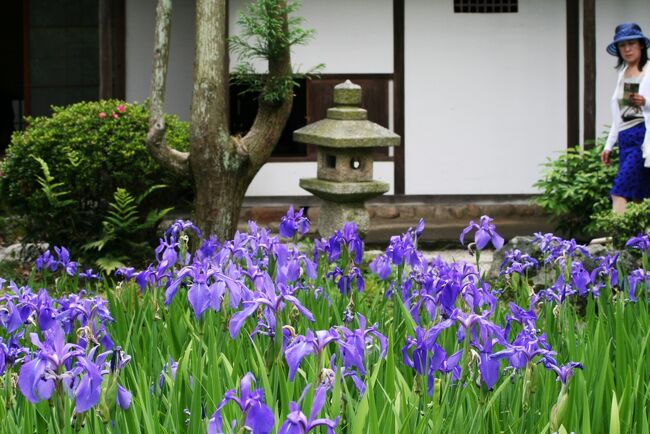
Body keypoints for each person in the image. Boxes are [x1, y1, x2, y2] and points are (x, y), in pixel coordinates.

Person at [601, 22, 650, 214]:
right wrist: (608, 145)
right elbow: (619, 117)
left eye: (631, 43)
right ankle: (640, 241)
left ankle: (617, 235)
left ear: (640, 45)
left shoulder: (649, 70)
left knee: (619, 191)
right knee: (639, 194)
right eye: (622, 45)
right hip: (625, 139)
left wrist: (645, 102)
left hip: (643, 136)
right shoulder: (622, 74)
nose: (627, 49)